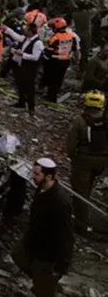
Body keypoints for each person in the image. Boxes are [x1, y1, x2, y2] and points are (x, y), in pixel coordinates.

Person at [11, 158, 74, 297]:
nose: (33, 176)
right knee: (17, 254)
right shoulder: (41, 189)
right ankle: (43, 281)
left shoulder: (59, 202)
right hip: (34, 242)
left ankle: (46, 284)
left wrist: (62, 265)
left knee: (43, 290)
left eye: (37, 174)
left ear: (49, 176)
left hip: (48, 254)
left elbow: (66, 235)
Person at [66, 91, 108, 235]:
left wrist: (73, 157)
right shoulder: (106, 120)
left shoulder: (80, 120)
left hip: (83, 160)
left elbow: (71, 145)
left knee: (80, 193)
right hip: (102, 161)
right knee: (89, 185)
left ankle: (81, 224)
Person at [2, 22, 44, 117]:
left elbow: (35, 57)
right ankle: (21, 102)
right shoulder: (26, 39)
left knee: (29, 88)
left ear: (30, 31)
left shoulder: (37, 43)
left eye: (26, 29)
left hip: (30, 69)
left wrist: (21, 54)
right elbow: (16, 36)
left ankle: (31, 108)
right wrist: (7, 30)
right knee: (20, 84)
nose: (24, 30)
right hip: (22, 66)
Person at [44, 18, 77, 102]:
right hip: (65, 61)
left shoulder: (56, 37)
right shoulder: (72, 36)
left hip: (55, 60)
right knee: (59, 79)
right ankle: (53, 96)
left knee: (52, 79)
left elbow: (49, 49)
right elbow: (74, 49)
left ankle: (50, 97)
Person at [73, 0, 96, 77]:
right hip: (86, 35)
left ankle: (76, 64)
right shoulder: (88, 14)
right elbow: (97, 8)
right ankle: (81, 71)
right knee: (85, 53)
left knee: (77, 51)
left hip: (77, 33)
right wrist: (90, 1)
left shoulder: (74, 14)